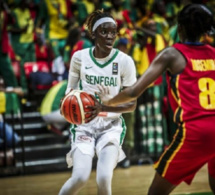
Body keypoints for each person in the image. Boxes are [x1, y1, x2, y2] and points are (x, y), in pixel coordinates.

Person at [89, 4, 215, 195]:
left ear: (179, 28)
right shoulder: (213, 53)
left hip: (196, 132)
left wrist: (105, 104)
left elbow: (133, 92)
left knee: (155, 193)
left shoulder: (172, 53)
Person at [58, 9, 137, 195]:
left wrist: (105, 106)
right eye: (104, 31)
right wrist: (68, 106)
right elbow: (70, 92)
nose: (110, 36)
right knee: (80, 177)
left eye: (113, 32)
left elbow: (132, 105)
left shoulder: (125, 61)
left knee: (103, 177)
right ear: (93, 34)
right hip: (84, 125)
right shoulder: (79, 57)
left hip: (111, 125)